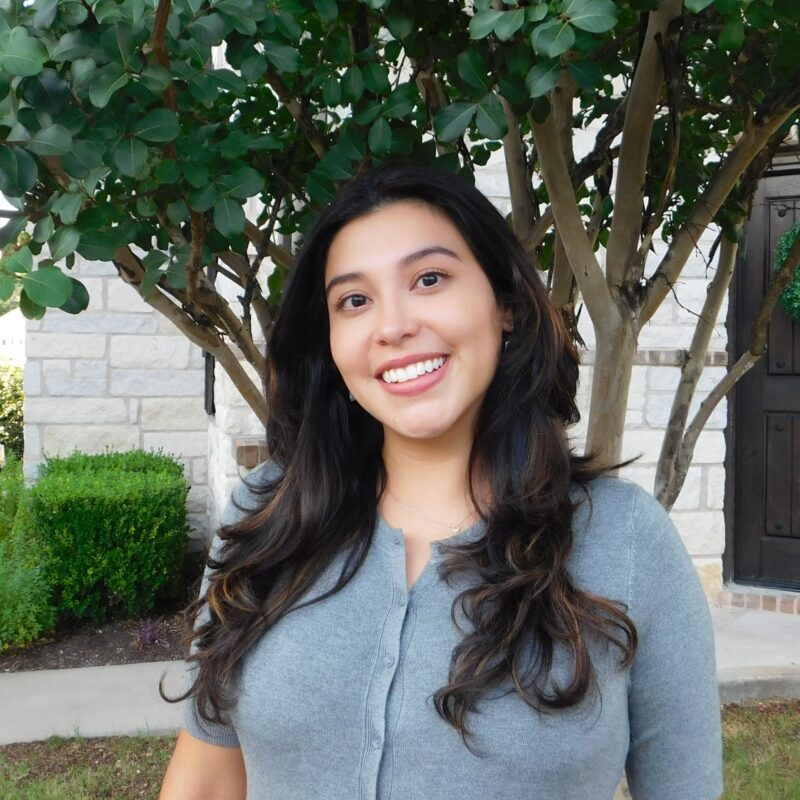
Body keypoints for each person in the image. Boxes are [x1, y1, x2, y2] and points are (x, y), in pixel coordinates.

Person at [159, 164, 723, 800]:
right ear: (333, 343)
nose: (392, 325)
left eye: (429, 279)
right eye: (354, 300)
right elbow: (205, 779)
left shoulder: (625, 542)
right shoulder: (270, 514)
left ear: (505, 304)